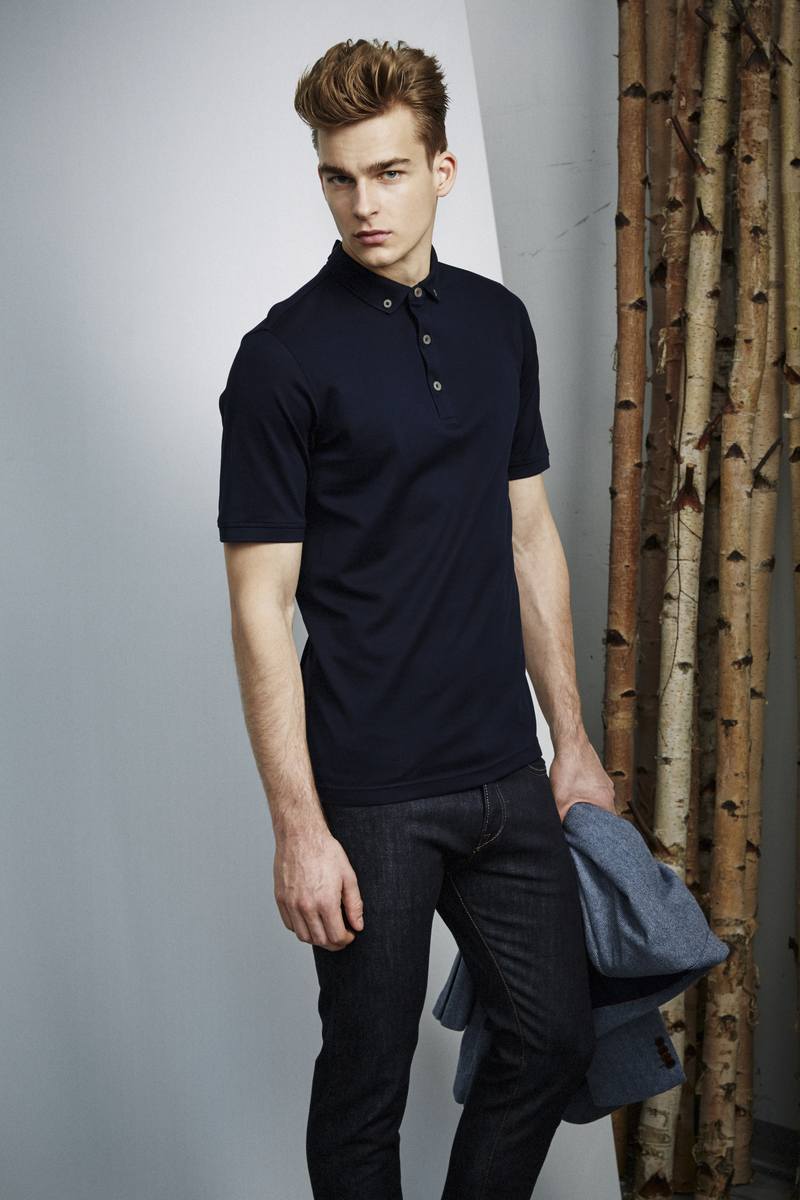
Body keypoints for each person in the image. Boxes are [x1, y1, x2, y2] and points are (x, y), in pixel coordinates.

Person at [216, 36, 616, 1200]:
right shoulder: (281, 360)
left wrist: (571, 742)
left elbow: (528, 537)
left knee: (552, 1038)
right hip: (369, 796)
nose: (362, 204)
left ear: (441, 170)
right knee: (365, 1087)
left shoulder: (496, 323)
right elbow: (259, 608)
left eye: (387, 173)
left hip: (503, 769)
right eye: (338, 177)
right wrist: (298, 827)